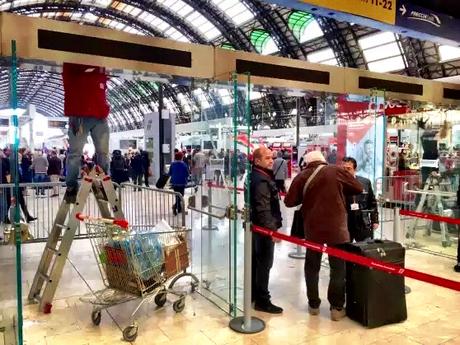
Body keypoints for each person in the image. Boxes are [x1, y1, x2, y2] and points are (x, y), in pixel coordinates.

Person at [285, 151, 362, 321]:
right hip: (337, 228)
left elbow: (289, 202)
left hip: (313, 229)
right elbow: (358, 187)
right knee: (337, 268)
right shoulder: (336, 171)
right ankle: (336, 308)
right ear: (323, 160)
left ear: (306, 163)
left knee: (312, 267)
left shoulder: (302, 176)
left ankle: (313, 305)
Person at [62, 62, 110, 203]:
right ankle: (72, 187)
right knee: (79, 154)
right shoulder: (74, 65)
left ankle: (103, 183)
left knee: (82, 153)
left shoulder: (100, 69)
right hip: (82, 115)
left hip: (94, 116)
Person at [251, 146, 283, 314]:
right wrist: (272, 231)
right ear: (257, 161)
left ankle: (255, 294)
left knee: (259, 262)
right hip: (263, 230)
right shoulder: (261, 180)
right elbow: (263, 209)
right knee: (264, 263)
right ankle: (263, 300)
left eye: (272, 157)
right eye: (267, 158)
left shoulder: (259, 175)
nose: (271, 160)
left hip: (259, 228)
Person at [342, 157, 379, 242]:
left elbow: (372, 202)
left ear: (355, 169)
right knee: (345, 250)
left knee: (365, 249)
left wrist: (375, 220)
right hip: (345, 223)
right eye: (343, 169)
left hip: (362, 222)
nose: (345, 171)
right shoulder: (338, 183)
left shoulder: (365, 182)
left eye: (348, 168)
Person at [169, 151, 189, 216]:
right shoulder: (184, 164)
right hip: (182, 182)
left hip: (174, 183)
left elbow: (170, 173)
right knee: (181, 196)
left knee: (177, 196)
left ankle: (179, 209)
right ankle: (175, 207)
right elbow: (187, 174)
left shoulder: (172, 164)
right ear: (181, 157)